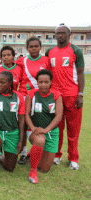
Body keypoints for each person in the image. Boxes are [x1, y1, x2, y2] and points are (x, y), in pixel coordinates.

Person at [45, 23, 85, 170]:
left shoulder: (76, 51)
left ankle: (73, 158)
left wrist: (81, 94)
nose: (60, 35)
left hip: (72, 96)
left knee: (73, 130)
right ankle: (57, 155)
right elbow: (47, 75)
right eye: (58, 33)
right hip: (55, 96)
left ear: (69, 34)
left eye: (63, 33)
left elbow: (80, 73)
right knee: (57, 129)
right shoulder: (49, 51)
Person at [15, 37, 50, 165]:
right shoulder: (21, 61)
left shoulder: (46, 60)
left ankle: (41, 151)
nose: (34, 48)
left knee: (41, 124)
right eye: (31, 46)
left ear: (40, 47)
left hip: (41, 98)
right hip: (25, 97)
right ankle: (23, 153)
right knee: (23, 125)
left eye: (36, 46)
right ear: (27, 48)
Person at [25, 69, 63, 184]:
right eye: (40, 82)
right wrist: (33, 129)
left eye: (46, 82)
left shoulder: (57, 95)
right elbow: (26, 114)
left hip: (51, 132)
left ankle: (33, 153)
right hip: (35, 131)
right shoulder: (31, 94)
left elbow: (59, 116)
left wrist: (46, 130)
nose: (43, 85)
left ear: (51, 82)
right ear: (37, 82)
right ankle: (32, 171)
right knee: (40, 140)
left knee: (44, 169)